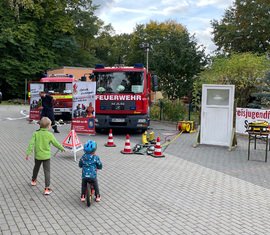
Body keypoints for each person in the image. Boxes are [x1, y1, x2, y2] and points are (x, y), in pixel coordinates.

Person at [26, 117, 65, 195]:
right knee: (47, 172)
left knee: (36, 168)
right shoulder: (49, 134)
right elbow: (55, 143)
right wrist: (61, 148)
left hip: (38, 156)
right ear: (48, 126)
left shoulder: (36, 133)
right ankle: (47, 188)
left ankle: (33, 180)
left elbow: (31, 144)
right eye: (50, 125)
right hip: (46, 157)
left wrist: (28, 153)